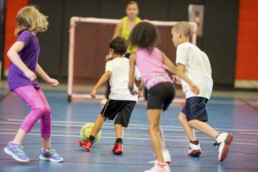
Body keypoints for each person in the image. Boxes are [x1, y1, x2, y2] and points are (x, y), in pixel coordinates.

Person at [128, 22, 199, 172]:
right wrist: (191, 82)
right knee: (155, 124)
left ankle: (161, 165)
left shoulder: (134, 56)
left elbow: (130, 84)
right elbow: (174, 69)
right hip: (168, 88)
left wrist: (134, 90)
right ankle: (163, 154)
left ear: (135, 37)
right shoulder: (158, 52)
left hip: (156, 89)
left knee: (151, 128)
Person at [4, 6, 63, 163]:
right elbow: (11, 52)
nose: (42, 17)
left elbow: (34, 63)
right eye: (38, 16)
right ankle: (14, 144)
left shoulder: (33, 38)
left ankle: (46, 150)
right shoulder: (26, 35)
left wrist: (47, 78)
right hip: (18, 78)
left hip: (29, 80)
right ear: (31, 20)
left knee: (46, 112)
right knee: (39, 107)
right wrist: (25, 70)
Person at [171, 21, 233, 161]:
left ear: (180, 35)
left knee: (193, 121)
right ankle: (194, 145)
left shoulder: (181, 47)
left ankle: (220, 137)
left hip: (196, 90)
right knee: (183, 117)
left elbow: (180, 70)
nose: (172, 39)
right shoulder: (199, 51)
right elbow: (198, 73)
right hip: (205, 88)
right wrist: (181, 80)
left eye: (173, 36)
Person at [77, 37, 142, 155]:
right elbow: (142, 79)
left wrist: (95, 88)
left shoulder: (110, 63)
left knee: (102, 117)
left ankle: (89, 142)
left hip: (117, 96)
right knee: (119, 122)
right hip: (131, 98)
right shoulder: (130, 63)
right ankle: (118, 145)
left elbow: (107, 74)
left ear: (111, 51)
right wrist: (140, 91)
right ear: (125, 51)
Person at [101, 1, 141, 104]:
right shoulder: (121, 22)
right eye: (130, 9)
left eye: (134, 9)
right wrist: (111, 53)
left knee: (142, 74)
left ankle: (143, 95)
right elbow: (115, 36)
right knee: (112, 72)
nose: (132, 11)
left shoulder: (140, 23)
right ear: (126, 11)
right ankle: (107, 97)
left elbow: (142, 39)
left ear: (137, 11)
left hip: (136, 54)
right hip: (122, 53)